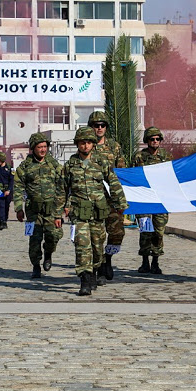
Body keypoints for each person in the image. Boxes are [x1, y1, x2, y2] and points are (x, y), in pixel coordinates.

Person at [58, 127, 127, 296]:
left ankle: (95, 270)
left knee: (97, 247)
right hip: (78, 212)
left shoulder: (101, 162)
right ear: (77, 144)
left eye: (89, 142)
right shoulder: (70, 166)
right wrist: (57, 213)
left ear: (93, 144)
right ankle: (84, 280)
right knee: (82, 246)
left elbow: (114, 183)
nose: (86, 146)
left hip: (98, 212)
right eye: (82, 142)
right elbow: (61, 189)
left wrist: (120, 204)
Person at [13, 133, 64, 278]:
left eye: (45, 147)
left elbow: (62, 186)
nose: (42, 150)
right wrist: (18, 208)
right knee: (34, 239)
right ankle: (36, 265)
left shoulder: (54, 165)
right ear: (33, 148)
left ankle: (48, 253)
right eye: (39, 147)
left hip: (52, 210)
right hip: (33, 211)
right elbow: (17, 187)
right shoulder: (25, 167)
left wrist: (63, 207)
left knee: (54, 235)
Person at [88, 111, 126, 281]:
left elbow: (122, 172)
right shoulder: (87, 146)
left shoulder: (114, 146)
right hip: (94, 199)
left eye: (103, 125)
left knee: (117, 233)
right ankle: (98, 263)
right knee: (96, 234)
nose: (100, 128)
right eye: (96, 125)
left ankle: (108, 258)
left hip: (112, 197)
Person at [134, 126, 173, 275]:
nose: (155, 141)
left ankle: (156, 262)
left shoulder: (166, 156)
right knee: (145, 231)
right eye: (152, 139)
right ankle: (145, 262)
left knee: (158, 232)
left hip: (160, 200)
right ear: (147, 141)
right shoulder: (139, 157)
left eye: (157, 139)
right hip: (144, 200)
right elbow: (133, 176)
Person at [0, 151, 14, 230]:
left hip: (8, 191)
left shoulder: (10, 168)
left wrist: (9, 190)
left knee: (6, 207)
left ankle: (5, 221)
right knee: (1, 206)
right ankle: (1, 222)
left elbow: (12, 180)